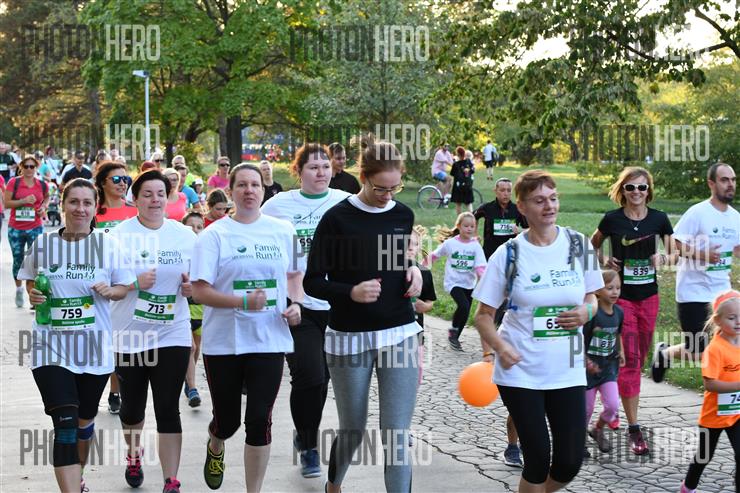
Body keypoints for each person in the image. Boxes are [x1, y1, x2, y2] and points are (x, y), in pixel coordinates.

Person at [304, 139, 423, 493]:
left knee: (396, 433)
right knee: (353, 427)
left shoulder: (403, 215)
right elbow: (312, 281)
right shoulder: (337, 218)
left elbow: (399, 261)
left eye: (394, 188)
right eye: (380, 188)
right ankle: (334, 484)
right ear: (363, 177)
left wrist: (416, 271)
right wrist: (350, 292)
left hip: (400, 332)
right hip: (349, 337)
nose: (387, 195)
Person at [473, 169, 602, 493]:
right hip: (521, 371)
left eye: (553, 198)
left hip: (567, 369)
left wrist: (586, 311)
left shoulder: (578, 245)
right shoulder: (509, 254)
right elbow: (483, 316)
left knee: (569, 461)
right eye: (539, 200)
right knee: (537, 458)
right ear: (522, 207)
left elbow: (593, 298)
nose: (549, 206)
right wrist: (501, 348)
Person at [191, 163, 303, 492]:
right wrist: (241, 302)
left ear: (264, 190)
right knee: (227, 422)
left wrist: (295, 304)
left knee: (259, 420)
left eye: (255, 184)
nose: (249, 190)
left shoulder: (283, 230)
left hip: (269, 339)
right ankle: (216, 443)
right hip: (224, 342)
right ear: (231, 192)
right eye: (242, 185)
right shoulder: (214, 235)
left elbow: (295, 276)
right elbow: (199, 291)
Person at [20, 178, 134, 492]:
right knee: (66, 426)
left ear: (95, 207)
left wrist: (111, 291)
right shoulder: (43, 243)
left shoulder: (108, 245)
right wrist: (33, 294)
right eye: (73, 202)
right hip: (50, 348)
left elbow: (124, 287)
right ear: (63, 205)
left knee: (83, 424)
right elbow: (30, 281)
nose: (80, 209)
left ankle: (77, 475)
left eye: (86, 203)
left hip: (94, 350)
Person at [261, 143, 350, 478]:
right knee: (309, 374)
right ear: (298, 171)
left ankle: (304, 433)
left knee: (323, 379)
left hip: (337, 303)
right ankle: (309, 446)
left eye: (325, 166)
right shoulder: (278, 205)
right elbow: (254, 234)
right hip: (296, 303)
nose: (321, 172)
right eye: (313, 167)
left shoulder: (345, 202)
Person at [109, 169, 196, 493]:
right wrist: (134, 283)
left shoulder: (184, 235)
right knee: (132, 408)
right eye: (147, 194)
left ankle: (171, 479)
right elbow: (106, 287)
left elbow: (200, 281)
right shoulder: (118, 236)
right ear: (134, 199)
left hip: (172, 332)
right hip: (130, 334)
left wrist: (191, 289)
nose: (155, 200)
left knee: (168, 408)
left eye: (161, 193)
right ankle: (134, 455)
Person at [590, 166, 674, 455]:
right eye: (630, 187)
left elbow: (674, 251)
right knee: (631, 360)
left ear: (648, 190)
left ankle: (611, 400)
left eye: (641, 187)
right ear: (622, 191)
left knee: (637, 358)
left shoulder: (659, 219)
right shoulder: (612, 219)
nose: (636, 192)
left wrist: (663, 258)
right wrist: (604, 259)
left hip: (649, 297)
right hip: (621, 298)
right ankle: (634, 428)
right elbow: (592, 245)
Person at [653, 163, 740, 384]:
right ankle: (665, 354)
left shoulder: (735, 217)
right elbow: (672, 244)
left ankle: (725, 394)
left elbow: (737, 248)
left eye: (733, 179)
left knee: (728, 346)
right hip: (693, 292)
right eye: (724, 180)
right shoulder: (698, 213)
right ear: (711, 184)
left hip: (722, 294)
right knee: (700, 351)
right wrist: (703, 255)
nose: (730, 184)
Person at [679, 290, 740, 493]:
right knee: (704, 456)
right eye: (732, 318)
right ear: (718, 320)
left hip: (736, 413)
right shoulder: (714, 349)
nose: (738, 322)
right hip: (713, 415)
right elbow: (710, 384)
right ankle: (688, 487)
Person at [94, 161, 139, 415]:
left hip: (128, 284)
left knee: (120, 341)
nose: (123, 183)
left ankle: (115, 390)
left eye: (126, 179)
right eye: (117, 179)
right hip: (99, 284)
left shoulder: (134, 211)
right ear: (103, 183)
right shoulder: (93, 211)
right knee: (104, 340)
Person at [427, 212, 487, 350]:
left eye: (472, 226)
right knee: (464, 305)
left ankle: (455, 338)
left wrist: (483, 280)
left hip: (469, 283)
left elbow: (480, 266)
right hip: (453, 282)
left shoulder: (475, 246)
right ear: (459, 226)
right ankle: (453, 332)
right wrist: (423, 266)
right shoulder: (450, 244)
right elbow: (435, 254)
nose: (469, 229)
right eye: (466, 226)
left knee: (465, 312)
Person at [583, 270, 625, 455]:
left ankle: (597, 429)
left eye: (618, 288)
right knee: (586, 409)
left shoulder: (619, 312)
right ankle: (580, 440)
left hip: (608, 368)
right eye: (609, 288)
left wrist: (621, 351)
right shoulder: (592, 314)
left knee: (612, 407)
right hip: (588, 371)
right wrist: (586, 361)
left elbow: (618, 333)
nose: (615, 292)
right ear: (598, 290)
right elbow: (580, 339)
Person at [5, 156, 49, 308]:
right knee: (18, 260)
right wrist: (23, 201)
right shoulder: (14, 182)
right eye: (26, 166)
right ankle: (19, 289)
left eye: (32, 166)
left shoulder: (42, 184)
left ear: (36, 168)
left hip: (35, 226)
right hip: (16, 228)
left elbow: (46, 198)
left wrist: (43, 207)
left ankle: (33, 295)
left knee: (35, 262)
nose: (29, 169)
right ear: (21, 167)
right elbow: (6, 203)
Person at [182, 212, 205, 408]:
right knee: (191, 347)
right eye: (191, 227)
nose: (196, 231)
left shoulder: (207, 251)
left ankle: (188, 379)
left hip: (201, 308)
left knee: (196, 349)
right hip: (183, 307)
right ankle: (192, 388)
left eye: (199, 227)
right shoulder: (180, 250)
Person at [475, 177, 528, 260]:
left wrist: (520, 230)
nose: (506, 193)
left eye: (509, 190)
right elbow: (473, 217)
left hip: (511, 254)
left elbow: (530, 230)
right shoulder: (487, 208)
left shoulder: (518, 209)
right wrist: (474, 236)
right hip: (490, 254)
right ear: (495, 191)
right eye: (502, 190)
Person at [450, 147, 476, 214]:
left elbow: (452, 174)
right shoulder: (468, 162)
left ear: (458, 154)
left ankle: (460, 219)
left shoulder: (455, 164)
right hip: (467, 185)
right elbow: (473, 171)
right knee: (468, 204)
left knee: (458, 204)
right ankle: (472, 218)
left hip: (458, 187)